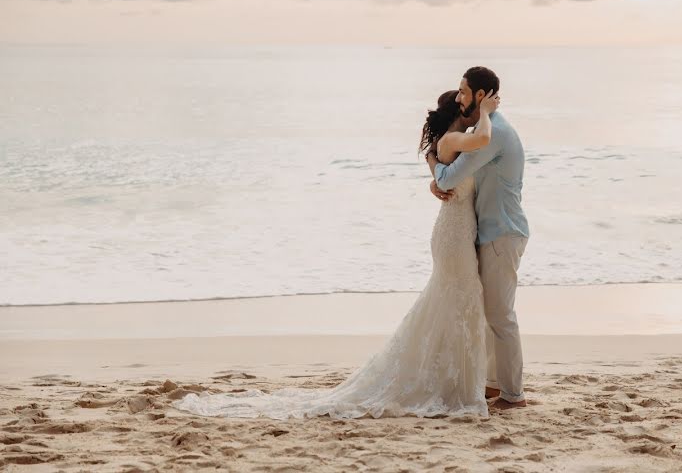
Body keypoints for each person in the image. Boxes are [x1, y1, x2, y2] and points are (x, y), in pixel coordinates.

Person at [171, 86, 502, 420]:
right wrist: (486, 113)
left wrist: (436, 176)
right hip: (454, 237)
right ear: (457, 113)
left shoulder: (454, 144)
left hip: (455, 233)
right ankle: (459, 387)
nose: (467, 107)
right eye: (463, 104)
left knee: (452, 304)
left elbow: (449, 173)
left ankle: (454, 381)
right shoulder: (456, 140)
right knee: (462, 301)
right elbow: (477, 147)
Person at [425, 65, 530, 410]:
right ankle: (493, 385)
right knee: (492, 315)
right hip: (492, 230)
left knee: (500, 316)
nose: (459, 97)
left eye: (464, 91)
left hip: (501, 232)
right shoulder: (486, 129)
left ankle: (513, 395)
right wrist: (436, 173)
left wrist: (436, 174)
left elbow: (452, 176)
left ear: (481, 96)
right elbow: (454, 174)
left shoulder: (493, 133)